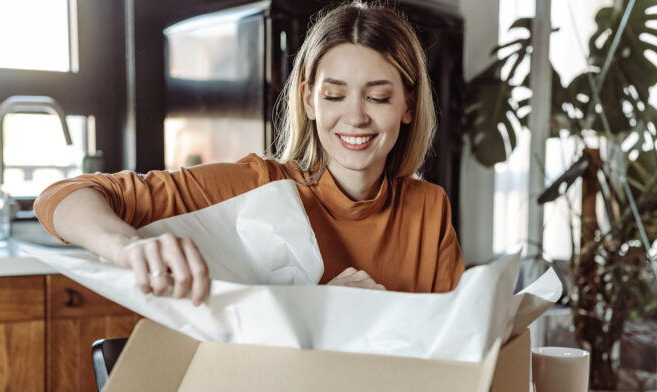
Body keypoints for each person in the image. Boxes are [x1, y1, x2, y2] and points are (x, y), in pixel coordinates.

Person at [34, 0, 464, 306]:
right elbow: (61, 196)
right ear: (309, 100)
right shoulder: (253, 187)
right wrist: (128, 248)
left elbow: (450, 347)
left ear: (408, 106)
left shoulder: (429, 209)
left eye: (378, 98)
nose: (355, 117)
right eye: (334, 96)